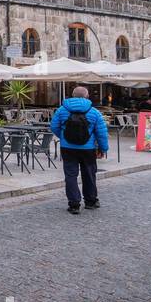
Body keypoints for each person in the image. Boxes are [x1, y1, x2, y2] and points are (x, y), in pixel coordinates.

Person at [50, 86, 110, 214]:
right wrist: (103, 148)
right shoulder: (94, 112)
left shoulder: (62, 110)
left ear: (72, 95)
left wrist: (64, 137)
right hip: (88, 149)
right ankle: (90, 201)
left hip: (67, 148)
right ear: (87, 96)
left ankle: (74, 204)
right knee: (89, 174)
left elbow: (54, 126)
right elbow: (101, 133)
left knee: (70, 175)